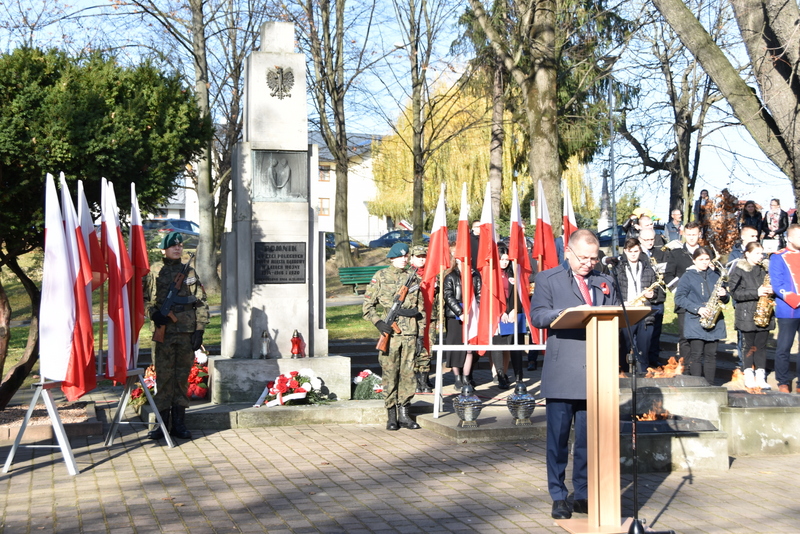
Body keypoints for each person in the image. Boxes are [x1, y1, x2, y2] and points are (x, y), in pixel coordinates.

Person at [531, 229, 619, 520]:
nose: (589, 264)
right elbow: (539, 316)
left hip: (597, 371)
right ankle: (558, 495)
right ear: (568, 252)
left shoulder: (604, 280)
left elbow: (615, 316)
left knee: (587, 440)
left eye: (594, 258)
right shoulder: (547, 279)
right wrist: (570, 311)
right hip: (563, 370)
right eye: (583, 258)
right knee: (557, 440)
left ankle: (582, 493)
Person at [144, 231, 209, 440]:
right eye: (173, 246)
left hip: (186, 333)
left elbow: (200, 302)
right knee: (163, 378)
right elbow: (144, 299)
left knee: (181, 379)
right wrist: (153, 313)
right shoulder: (154, 271)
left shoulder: (189, 272)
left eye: (180, 246)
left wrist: (199, 330)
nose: (178, 249)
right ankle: (161, 424)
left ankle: (179, 424)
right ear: (164, 249)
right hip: (164, 334)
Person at [363, 242, 426, 430]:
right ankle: (391, 414)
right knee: (390, 374)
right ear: (392, 258)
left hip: (409, 334)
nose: (404, 259)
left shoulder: (412, 279)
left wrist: (420, 335)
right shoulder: (380, 276)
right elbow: (367, 307)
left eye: (406, 256)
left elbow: (421, 309)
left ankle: (405, 414)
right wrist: (379, 323)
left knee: (408, 374)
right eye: (400, 257)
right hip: (390, 335)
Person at [674, 247, 729, 383]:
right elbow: (679, 298)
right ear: (694, 260)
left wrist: (725, 295)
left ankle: (710, 384)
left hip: (713, 320)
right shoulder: (688, 276)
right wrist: (697, 309)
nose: (704, 262)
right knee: (696, 355)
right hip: (695, 320)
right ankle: (698, 385)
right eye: (701, 259)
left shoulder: (715, 275)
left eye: (707, 259)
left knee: (711, 355)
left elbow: (726, 299)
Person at [665, 221, 714, 361]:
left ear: (699, 234)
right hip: (684, 303)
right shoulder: (676, 253)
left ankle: (700, 369)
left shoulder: (707, 252)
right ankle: (686, 368)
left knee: (704, 336)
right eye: (689, 234)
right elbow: (668, 275)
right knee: (685, 337)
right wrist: (679, 291)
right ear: (684, 234)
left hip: (704, 302)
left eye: (694, 234)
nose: (692, 237)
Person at [728, 242, 773, 389]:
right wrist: (756, 292)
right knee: (749, 346)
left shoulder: (765, 269)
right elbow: (734, 292)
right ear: (747, 254)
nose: (760, 256)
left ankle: (761, 376)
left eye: (761, 253)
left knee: (761, 346)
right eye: (757, 253)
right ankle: (748, 374)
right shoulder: (739, 270)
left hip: (763, 312)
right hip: (747, 313)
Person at [616, 238, 663, 372]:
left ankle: (643, 376)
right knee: (624, 349)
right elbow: (614, 290)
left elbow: (658, 293)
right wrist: (620, 303)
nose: (633, 254)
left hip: (644, 314)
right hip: (627, 312)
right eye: (630, 251)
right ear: (625, 251)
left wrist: (652, 294)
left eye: (636, 251)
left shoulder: (648, 269)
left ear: (640, 250)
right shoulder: (619, 269)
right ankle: (623, 375)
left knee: (644, 350)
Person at [443, 255, 482, 390]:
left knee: (469, 349)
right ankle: (457, 378)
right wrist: (460, 312)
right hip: (455, 316)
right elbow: (448, 295)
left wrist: (473, 311)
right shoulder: (450, 276)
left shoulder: (475, 275)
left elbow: (479, 294)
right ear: (457, 260)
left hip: (472, 314)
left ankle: (466, 377)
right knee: (456, 348)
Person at [769, 224, 800, 393]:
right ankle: (783, 381)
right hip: (789, 308)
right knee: (784, 347)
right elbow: (777, 284)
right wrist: (795, 299)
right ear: (790, 238)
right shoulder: (778, 257)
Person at [490, 245, 525, 390]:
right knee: (498, 346)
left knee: (515, 345)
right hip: (498, 315)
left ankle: (519, 376)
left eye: (506, 259)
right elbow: (490, 295)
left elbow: (519, 292)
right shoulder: (491, 274)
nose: (504, 262)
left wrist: (514, 310)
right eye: (501, 259)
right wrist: (501, 311)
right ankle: (500, 376)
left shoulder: (513, 273)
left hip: (513, 314)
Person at [727, 225, 761, 368]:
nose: (756, 238)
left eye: (757, 236)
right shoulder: (735, 254)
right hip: (742, 299)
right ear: (743, 237)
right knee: (744, 333)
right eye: (752, 236)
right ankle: (744, 363)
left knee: (758, 334)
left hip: (758, 299)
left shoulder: (760, 252)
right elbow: (732, 278)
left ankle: (756, 362)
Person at [638, 228, 668, 367]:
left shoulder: (660, 253)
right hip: (644, 300)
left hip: (658, 298)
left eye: (652, 239)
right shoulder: (637, 254)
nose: (650, 242)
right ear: (640, 240)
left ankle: (653, 361)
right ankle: (642, 362)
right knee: (644, 333)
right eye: (646, 240)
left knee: (656, 333)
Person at [410, 245, 433, 393]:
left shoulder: (431, 273)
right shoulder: (407, 274)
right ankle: (415, 380)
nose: (421, 259)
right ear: (411, 258)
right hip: (412, 317)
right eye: (418, 257)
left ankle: (424, 380)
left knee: (427, 347)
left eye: (423, 256)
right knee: (413, 348)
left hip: (430, 316)